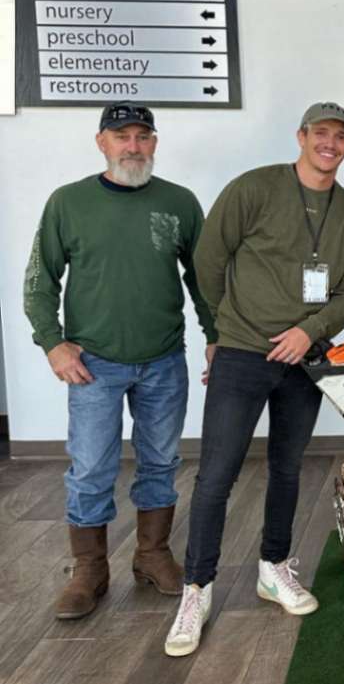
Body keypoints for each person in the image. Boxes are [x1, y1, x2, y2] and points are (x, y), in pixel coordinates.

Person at [165, 101, 344, 657]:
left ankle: (274, 567)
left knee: (287, 467)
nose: (330, 144)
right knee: (216, 474)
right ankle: (196, 589)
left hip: (306, 360)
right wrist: (228, 324)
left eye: (341, 136)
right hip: (242, 352)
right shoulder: (254, 188)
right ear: (301, 136)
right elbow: (209, 259)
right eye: (321, 133)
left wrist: (310, 332)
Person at [23, 103, 214, 619]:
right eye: (122, 136)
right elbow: (40, 279)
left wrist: (215, 336)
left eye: (143, 136)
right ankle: (90, 570)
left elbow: (203, 279)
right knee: (90, 469)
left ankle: (152, 555)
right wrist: (52, 342)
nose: (133, 146)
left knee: (161, 461)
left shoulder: (179, 203)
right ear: (101, 142)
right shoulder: (69, 203)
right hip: (93, 364)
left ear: (155, 143)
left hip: (163, 359)